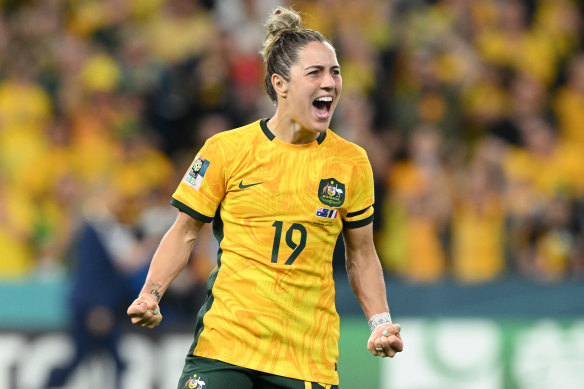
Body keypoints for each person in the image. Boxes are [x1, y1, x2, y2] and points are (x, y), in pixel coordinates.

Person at [127, 6, 403, 389]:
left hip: (305, 356)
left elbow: (361, 254)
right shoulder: (226, 150)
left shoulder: (351, 162)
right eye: (315, 73)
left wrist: (380, 322)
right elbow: (185, 231)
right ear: (280, 83)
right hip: (225, 346)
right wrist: (150, 294)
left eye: (335, 72)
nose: (330, 83)